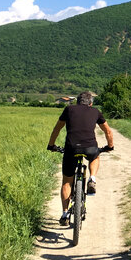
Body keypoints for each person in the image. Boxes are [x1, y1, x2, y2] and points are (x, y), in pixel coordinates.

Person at [47, 91, 114, 226]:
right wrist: (110, 146)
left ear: (78, 102)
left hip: (71, 149)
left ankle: (65, 214)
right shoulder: (96, 111)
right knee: (95, 156)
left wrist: (51, 145)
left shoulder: (68, 109)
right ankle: (92, 178)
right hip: (89, 148)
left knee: (67, 182)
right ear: (90, 103)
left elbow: (57, 129)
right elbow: (108, 131)